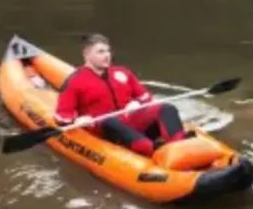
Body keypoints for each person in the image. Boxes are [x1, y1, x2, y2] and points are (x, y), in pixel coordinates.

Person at [54, 34, 188, 157]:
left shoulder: (123, 72)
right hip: (105, 127)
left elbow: (146, 98)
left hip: (131, 120)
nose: (107, 55)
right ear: (87, 54)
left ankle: (180, 148)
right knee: (112, 122)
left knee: (167, 108)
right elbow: (62, 117)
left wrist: (137, 103)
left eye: (108, 51)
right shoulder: (75, 81)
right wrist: (79, 120)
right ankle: (152, 149)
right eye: (101, 52)